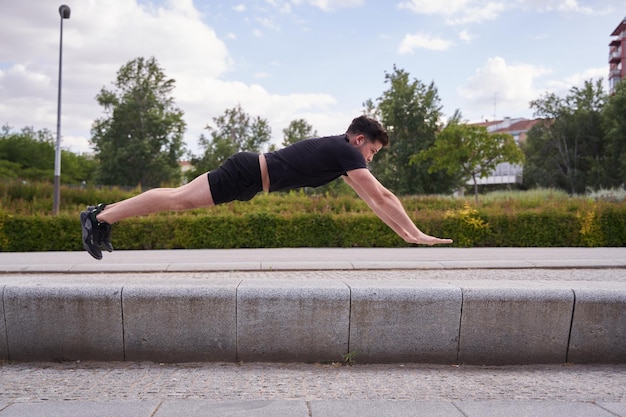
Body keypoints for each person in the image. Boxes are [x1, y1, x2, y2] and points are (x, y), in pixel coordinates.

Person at [80, 115, 453, 259]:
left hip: (248, 176)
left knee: (178, 196)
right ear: (359, 141)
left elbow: (374, 203)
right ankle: (99, 217)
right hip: (245, 173)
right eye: (372, 151)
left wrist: (406, 235)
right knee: (178, 200)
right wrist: (417, 234)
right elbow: (384, 195)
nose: (371, 159)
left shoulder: (342, 156)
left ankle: (103, 217)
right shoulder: (346, 152)